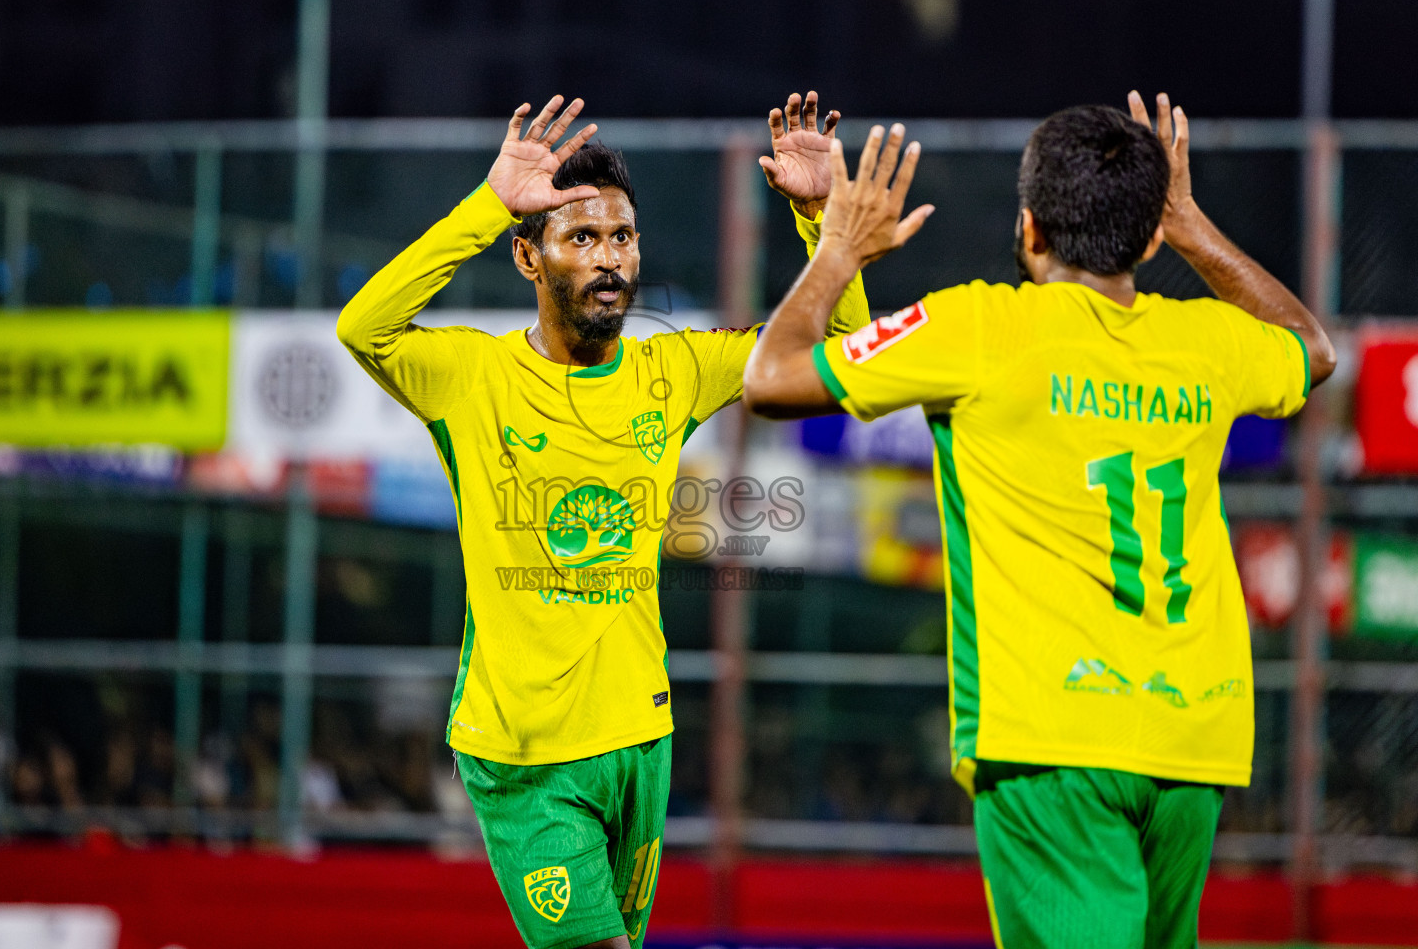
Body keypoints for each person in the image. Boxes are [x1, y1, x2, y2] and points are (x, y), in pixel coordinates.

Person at [742, 95, 1335, 949]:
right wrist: (1196, 226)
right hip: (1192, 743)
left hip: (1052, 743)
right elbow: (1312, 350)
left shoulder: (982, 327)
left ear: (1029, 230)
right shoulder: (1208, 344)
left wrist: (834, 242)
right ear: (1152, 238)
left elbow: (773, 379)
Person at [337, 92, 867, 949]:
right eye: (581, 238)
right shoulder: (471, 375)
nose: (610, 257)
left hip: (639, 739)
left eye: (621, 237)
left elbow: (845, 354)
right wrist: (486, 203)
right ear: (528, 257)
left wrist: (820, 221)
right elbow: (365, 327)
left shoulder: (676, 368)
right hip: (525, 759)